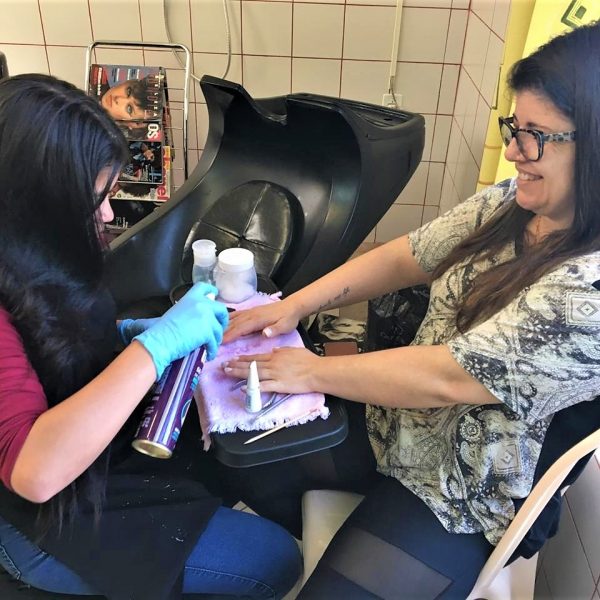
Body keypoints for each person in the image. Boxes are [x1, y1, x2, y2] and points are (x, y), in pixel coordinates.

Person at [221, 21, 600, 598]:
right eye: (514, 128)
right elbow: (411, 255)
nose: (514, 152)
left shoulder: (589, 288)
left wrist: (312, 371)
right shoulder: (516, 203)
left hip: (463, 490)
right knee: (236, 452)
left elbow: (451, 378)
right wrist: (292, 306)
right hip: (394, 425)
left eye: (536, 137)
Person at [0, 74, 301, 599]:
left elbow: (43, 340)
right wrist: (152, 350)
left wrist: (122, 337)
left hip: (91, 461)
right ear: (33, 200)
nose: (107, 214)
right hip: (35, 518)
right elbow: (35, 472)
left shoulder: (33, 250)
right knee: (272, 561)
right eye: (94, 199)